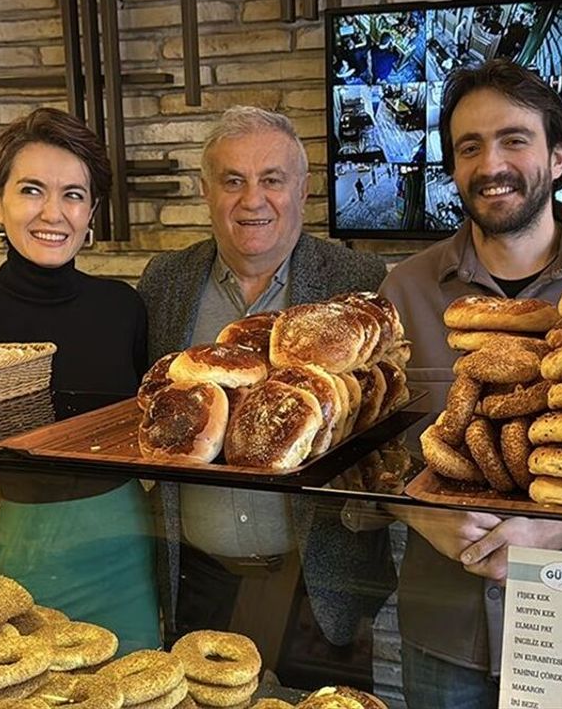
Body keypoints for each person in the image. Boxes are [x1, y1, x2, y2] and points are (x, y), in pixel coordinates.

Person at [374, 59, 562, 707]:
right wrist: (421, 513)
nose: (491, 164)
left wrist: (554, 530)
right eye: (469, 147)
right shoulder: (404, 291)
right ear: (453, 169)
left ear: (558, 158)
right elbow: (370, 457)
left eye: (514, 140)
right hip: (444, 631)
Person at [136, 106, 392, 687]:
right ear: (206, 191)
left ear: (303, 189)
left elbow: (382, 421)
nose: (252, 200)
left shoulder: (358, 279)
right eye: (233, 180)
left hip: (320, 582)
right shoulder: (165, 282)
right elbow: (148, 412)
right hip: (197, 578)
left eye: (272, 179)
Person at [0, 108, 159, 652]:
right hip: (29, 559)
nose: (53, 213)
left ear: (91, 211)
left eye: (73, 195)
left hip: (130, 553)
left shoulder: (123, 309)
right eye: (32, 190)